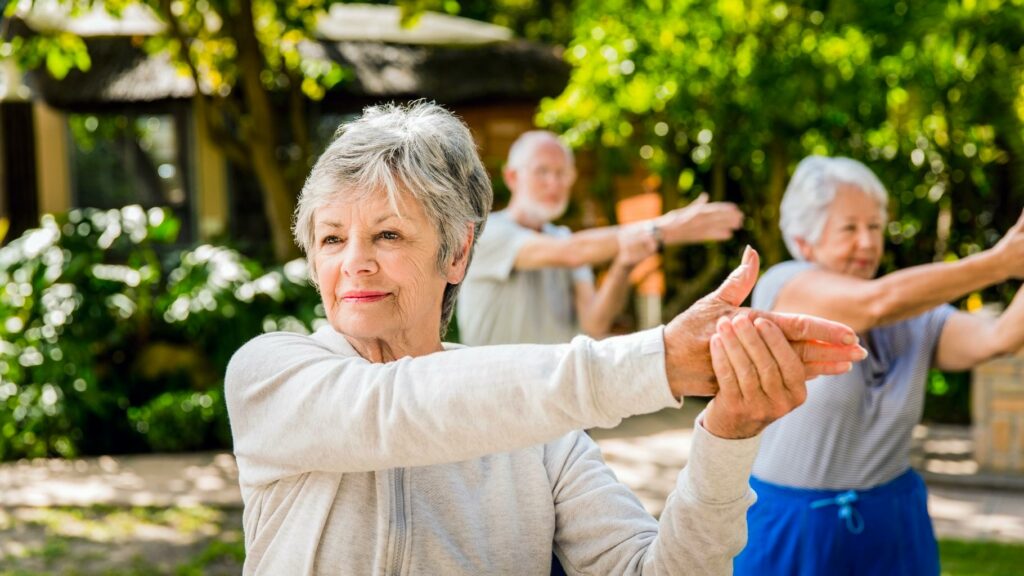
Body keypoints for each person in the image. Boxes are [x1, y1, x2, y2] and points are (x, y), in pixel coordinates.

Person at [225, 103, 866, 575]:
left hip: (545, 394)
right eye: (332, 238)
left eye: (388, 235)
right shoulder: (269, 373)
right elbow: (397, 409)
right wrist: (661, 359)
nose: (354, 262)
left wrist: (727, 435)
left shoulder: (547, 443)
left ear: (456, 254)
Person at [733, 155, 1024, 575]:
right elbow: (874, 304)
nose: (868, 242)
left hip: (894, 521)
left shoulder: (916, 314)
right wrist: (1000, 261)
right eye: (850, 228)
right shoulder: (783, 287)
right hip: (791, 525)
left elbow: (999, 338)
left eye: (874, 227)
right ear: (806, 240)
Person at [457, 130, 744, 345]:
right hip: (496, 399)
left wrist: (624, 264)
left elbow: (594, 324)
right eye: (542, 171)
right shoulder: (488, 233)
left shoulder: (563, 236)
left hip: (554, 404)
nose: (553, 183)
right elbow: (571, 252)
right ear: (512, 177)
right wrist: (664, 229)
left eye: (562, 173)